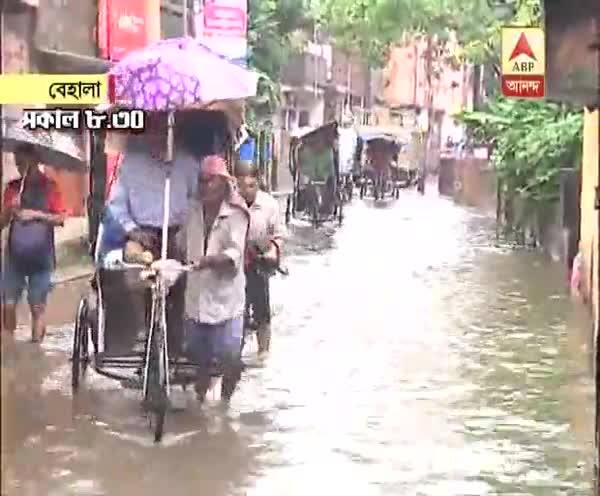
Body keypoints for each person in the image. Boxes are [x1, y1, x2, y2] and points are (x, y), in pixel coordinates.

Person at [106, 129, 199, 353]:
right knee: (137, 278)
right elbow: (117, 204)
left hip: (178, 233)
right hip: (142, 234)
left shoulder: (187, 161)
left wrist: (187, 230)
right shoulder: (132, 162)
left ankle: (179, 341)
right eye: (154, 130)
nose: (159, 137)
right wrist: (133, 230)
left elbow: (196, 200)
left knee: (185, 283)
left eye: (165, 130)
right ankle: (144, 331)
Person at [182, 155, 250, 404]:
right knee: (197, 356)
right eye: (201, 180)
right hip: (197, 293)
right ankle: (200, 397)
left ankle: (225, 402)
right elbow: (182, 241)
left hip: (227, 298)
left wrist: (208, 261)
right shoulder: (191, 209)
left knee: (231, 357)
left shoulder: (237, 213)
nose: (204, 185)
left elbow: (235, 253)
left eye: (209, 180)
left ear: (222, 183)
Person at [0, 144, 66, 342]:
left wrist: (35, 215)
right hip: (14, 258)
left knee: (37, 307)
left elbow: (61, 219)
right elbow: (1, 223)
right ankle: (10, 345)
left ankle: (35, 349)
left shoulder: (50, 187)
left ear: (35, 161)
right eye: (17, 162)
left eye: (23, 161)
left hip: (41, 257)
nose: (20, 166)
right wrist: (9, 209)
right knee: (7, 304)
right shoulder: (13, 188)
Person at [235, 162, 285, 360]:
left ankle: (263, 352)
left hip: (258, 261)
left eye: (251, 185)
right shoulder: (230, 203)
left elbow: (278, 235)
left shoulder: (269, 205)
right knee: (237, 311)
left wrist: (273, 251)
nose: (246, 191)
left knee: (262, 308)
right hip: (234, 262)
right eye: (241, 185)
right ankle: (234, 355)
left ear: (258, 182)